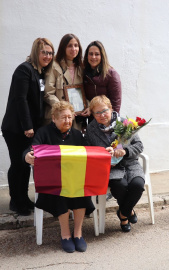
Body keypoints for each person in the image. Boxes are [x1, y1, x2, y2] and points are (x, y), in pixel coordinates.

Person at [24, 101, 108, 253]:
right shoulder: (43, 133)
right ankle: (65, 235)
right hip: (52, 182)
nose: (68, 121)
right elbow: (31, 150)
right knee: (61, 193)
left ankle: (78, 233)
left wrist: (105, 153)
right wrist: (27, 157)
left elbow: (88, 153)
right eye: (63, 118)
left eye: (70, 117)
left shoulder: (76, 134)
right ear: (54, 118)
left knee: (81, 191)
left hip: (74, 180)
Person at [1, 38, 54, 216]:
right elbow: (20, 99)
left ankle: (23, 197)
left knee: (26, 164)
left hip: (30, 128)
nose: (47, 56)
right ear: (35, 52)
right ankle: (16, 201)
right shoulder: (24, 70)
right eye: (44, 52)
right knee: (18, 164)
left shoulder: (39, 72)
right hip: (16, 128)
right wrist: (28, 126)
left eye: (50, 52)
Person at [85, 95, 145, 232]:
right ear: (93, 114)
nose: (102, 115)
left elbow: (139, 146)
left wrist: (124, 150)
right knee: (120, 186)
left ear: (111, 109)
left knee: (138, 185)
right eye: (97, 113)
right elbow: (88, 151)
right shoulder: (91, 129)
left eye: (105, 110)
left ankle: (123, 213)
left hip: (130, 164)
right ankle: (127, 214)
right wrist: (103, 158)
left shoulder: (125, 123)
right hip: (109, 168)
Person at [44, 33, 90, 130]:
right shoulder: (53, 66)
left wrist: (89, 106)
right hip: (58, 119)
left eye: (76, 45)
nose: (73, 49)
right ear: (63, 48)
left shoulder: (81, 67)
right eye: (69, 46)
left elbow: (86, 93)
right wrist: (63, 108)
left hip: (76, 120)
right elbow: (48, 93)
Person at [83, 40, 122, 121]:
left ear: (102, 56)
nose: (93, 57)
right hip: (92, 120)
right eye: (91, 54)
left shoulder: (111, 74)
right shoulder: (84, 73)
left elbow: (116, 103)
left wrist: (112, 122)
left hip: (107, 119)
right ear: (87, 56)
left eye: (97, 54)